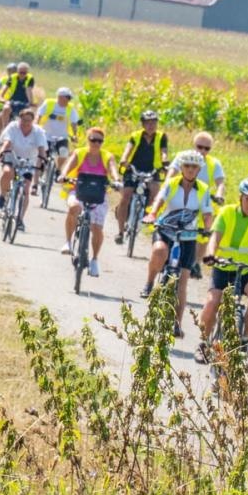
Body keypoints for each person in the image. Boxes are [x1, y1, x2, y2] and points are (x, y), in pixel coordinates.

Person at [197, 178, 248, 361]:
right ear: (240, 197)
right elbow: (215, 237)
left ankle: (244, 338)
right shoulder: (227, 212)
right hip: (223, 266)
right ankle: (203, 343)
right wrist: (210, 254)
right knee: (213, 302)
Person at [141, 150, 215, 337]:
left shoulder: (204, 189)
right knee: (159, 251)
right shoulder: (172, 183)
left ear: (199, 169)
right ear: (181, 167)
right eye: (187, 166)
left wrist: (208, 227)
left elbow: (207, 212)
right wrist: (152, 214)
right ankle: (149, 283)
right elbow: (159, 200)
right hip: (166, 229)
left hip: (188, 235)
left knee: (182, 280)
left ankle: (176, 324)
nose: (190, 170)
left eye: (194, 167)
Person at [59, 128, 120, 277]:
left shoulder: (107, 156)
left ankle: (94, 259)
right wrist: (63, 175)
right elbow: (68, 165)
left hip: (99, 195)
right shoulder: (80, 153)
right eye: (93, 140)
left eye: (99, 141)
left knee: (97, 227)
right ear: (88, 140)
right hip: (78, 191)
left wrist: (117, 180)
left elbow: (113, 169)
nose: (96, 143)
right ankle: (68, 241)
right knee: (74, 208)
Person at [115, 111, 169, 245]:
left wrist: (165, 162)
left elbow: (164, 152)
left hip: (152, 170)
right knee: (126, 196)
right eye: (148, 123)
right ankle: (120, 232)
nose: (151, 126)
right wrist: (124, 160)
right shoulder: (136, 136)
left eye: (154, 123)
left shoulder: (161, 136)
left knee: (155, 193)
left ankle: (146, 216)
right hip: (133, 169)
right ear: (143, 124)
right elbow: (128, 149)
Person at [0, 105, 48, 227]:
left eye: (29, 121)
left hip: (28, 161)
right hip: (12, 156)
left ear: (33, 121)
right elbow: (7, 142)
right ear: (19, 119)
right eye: (23, 120)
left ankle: (20, 218)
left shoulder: (38, 132)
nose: (25, 123)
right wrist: (2, 152)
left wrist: (43, 160)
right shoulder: (13, 127)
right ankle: (3, 196)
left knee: (25, 190)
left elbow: (41, 149)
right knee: (7, 173)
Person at [37, 87, 81, 182]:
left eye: (69, 98)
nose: (68, 100)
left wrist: (74, 135)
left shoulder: (70, 108)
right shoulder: (49, 103)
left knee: (64, 153)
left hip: (62, 136)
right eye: (67, 97)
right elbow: (39, 115)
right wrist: (36, 127)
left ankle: (57, 169)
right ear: (60, 97)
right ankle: (39, 175)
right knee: (43, 156)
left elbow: (74, 122)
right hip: (46, 134)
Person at [0, 61, 37, 140]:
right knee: (4, 111)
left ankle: (29, 136)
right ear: (17, 71)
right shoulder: (12, 78)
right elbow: (4, 89)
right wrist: (2, 98)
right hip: (12, 101)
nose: (22, 75)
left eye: (24, 73)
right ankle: (5, 131)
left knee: (30, 115)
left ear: (27, 72)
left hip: (24, 102)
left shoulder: (30, 79)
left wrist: (31, 102)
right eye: (21, 72)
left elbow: (29, 90)